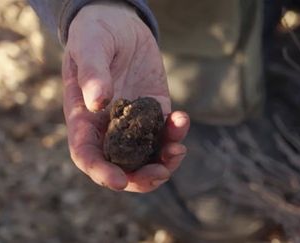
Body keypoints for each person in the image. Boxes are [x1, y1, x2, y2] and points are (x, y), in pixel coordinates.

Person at [29, 0, 267, 241]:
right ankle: (165, 208)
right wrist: (95, 4)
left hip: (240, 26)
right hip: (168, 36)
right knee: (227, 214)